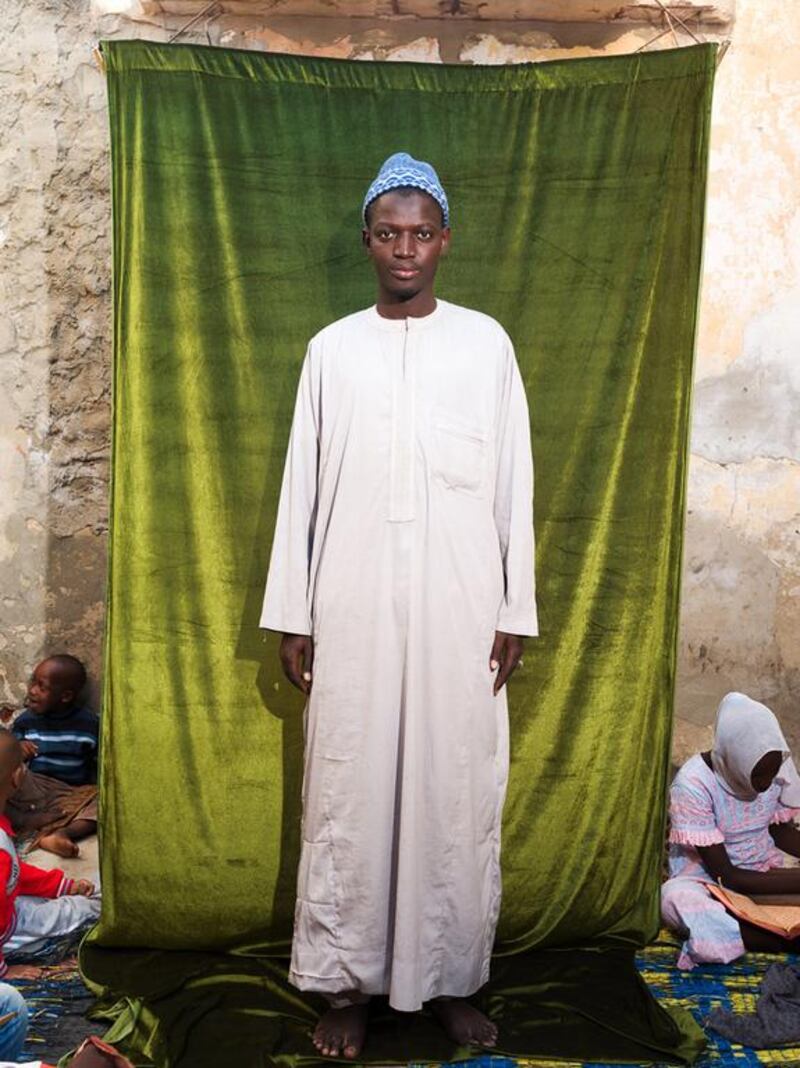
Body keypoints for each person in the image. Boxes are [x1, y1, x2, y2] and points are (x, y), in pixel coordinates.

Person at [261, 152, 537, 1058]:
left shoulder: (486, 344)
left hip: (463, 602)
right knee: (351, 783)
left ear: (446, 240)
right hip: (353, 598)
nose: (406, 249)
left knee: (453, 787)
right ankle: (345, 985)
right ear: (368, 242)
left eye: (422, 233)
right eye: (390, 234)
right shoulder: (332, 350)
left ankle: (450, 978)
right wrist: (295, 613)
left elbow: (511, 485)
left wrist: (515, 609)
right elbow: (301, 487)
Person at [662, 691, 800, 969]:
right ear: (733, 759)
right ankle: (779, 939)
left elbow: (778, 830)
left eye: (772, 773)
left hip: (762, 873)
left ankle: (761, 930)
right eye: (759, 775)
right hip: (711, 882)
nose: (767, 782)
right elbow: (729, 877)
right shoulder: (693, 784)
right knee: (675, 899)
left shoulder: (773, 763)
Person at [0, 731, 100, 980]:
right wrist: (4, 971)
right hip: (8, 930)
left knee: (72, 899)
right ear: (17, 777)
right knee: (88, 909)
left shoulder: (3, 834)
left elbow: (16, 873)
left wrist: (63, 885)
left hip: (9, 911)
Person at [8, 656, 98, 858]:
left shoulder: (89, 724)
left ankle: (60, 834)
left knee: (103, 804)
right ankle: (25, 820)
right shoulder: (27, 721)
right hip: (34, 784)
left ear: (65, 696)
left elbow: (99, 762)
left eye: (42, 687)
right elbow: (7, 756)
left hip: (71, 791)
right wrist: (18, 750)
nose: (32, 690)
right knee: (7, 777)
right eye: (33, 682)